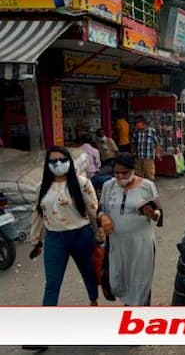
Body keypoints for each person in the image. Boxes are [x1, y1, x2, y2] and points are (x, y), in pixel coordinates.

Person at [29, 146, 100, 306]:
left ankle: (94, 301)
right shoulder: (42, 187)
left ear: (69, 161)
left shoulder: (82, 183)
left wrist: (99, 234)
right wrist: (36, 241)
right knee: (52, 283)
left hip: (81, 235)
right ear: (47, 164)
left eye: (62, 160)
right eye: (53, 161)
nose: (58, 163)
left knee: (88, 273)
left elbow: (93, 209)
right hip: (54, 238)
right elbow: (38, 215)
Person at [98, 153, 162, 306]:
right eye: (117, 173)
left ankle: (138, 318)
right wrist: (103, 217)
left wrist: (153, 214)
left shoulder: (147, 186)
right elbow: (100, 209)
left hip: (141, 244)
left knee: (140, 283)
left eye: (124, 172)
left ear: (133, 170)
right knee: (118, 282)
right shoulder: (108, 186)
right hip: (117, 244)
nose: (120, 176)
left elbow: (159, 212)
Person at [132, 116, 160, 181]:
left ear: (143, 123)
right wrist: (133, 152)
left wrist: (157, 153)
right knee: (138, 175)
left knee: (149, 175)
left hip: (148, 157)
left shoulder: (152, 131)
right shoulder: (136, 132)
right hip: (139, 156)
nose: (136, 125)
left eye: (138, 123)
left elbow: (157, 143)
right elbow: (133, 143)